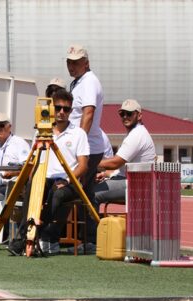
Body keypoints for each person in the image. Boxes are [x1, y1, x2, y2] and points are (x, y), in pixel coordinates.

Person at [11, 89, 90, 256]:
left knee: (58, 193)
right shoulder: (41, 132)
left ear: (70, 111)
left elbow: (83, 166)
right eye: (58, 108)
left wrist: (68, 180)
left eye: (66, 109)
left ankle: (35, 234)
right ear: (51, 109)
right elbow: (33, 163)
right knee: (32, 187)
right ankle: (26, 234)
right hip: (45, 178)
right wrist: (29, 181)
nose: (61, 112)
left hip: (70, 181)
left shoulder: (78, 134)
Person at [66, 44, 105, 246]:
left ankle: (86, 237)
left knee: (75, 189)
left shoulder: (89, 82)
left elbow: (88, 113)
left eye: (76, 62)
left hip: (87, 146)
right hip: (87, 145)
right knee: (85, 193)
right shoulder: (78, 82)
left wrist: (77, 143)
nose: (71, 66)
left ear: (86, 63)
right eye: (69, 62)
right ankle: (89, 238)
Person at [95, 99, 156, 204]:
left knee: (92, 193)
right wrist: (105, 174)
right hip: (134, 181)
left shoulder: (137, 134)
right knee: (93, 188)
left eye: (129, 113)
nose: (125, 117)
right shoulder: (136, 133)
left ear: (139, 115)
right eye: (122, 114)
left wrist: (90, 164)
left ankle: (92, 221)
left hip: (135, 184)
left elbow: (115, 163)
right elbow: (122, 169)